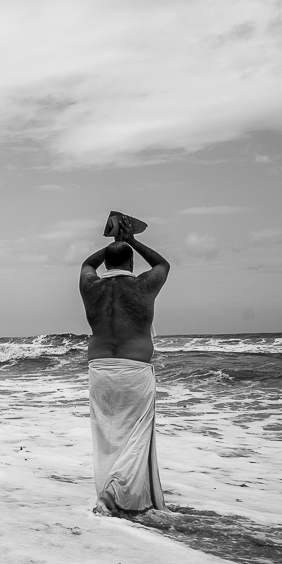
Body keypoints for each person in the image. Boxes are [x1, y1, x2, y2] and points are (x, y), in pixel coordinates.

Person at [79, 215, 171, 514]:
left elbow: (86, 265)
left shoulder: (91, 286)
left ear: (107, 263)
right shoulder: (143, 286)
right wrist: (129, 240)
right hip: (133, 371)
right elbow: (162, 265)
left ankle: (112, 490)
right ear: (131, 264)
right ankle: (115, 495)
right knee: (136, 436)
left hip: (100, 370)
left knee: (107, 436)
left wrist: (111, 243)